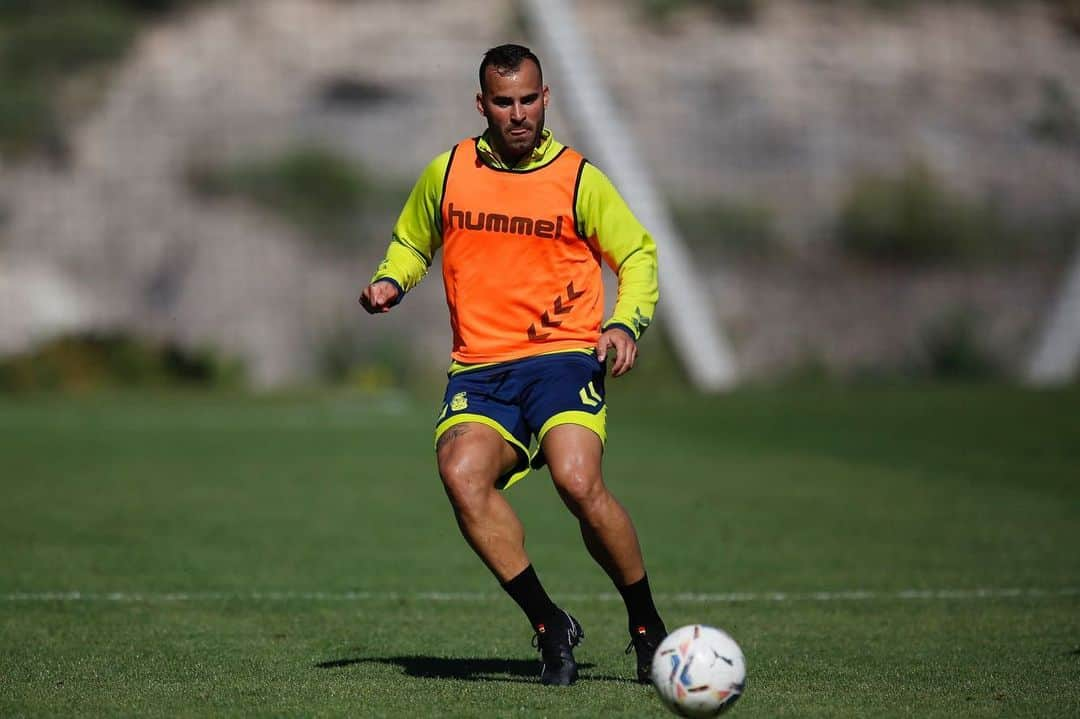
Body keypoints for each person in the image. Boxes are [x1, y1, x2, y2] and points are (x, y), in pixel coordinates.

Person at [359, 43, 666, 687]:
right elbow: (413, 240)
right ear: (483, 105)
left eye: (529, 99)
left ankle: (646, 626)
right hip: (481, 369)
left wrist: (622, 322)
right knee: (461, 474)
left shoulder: (579, 177)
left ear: (545, 98)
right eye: (504, 102)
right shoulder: (447, 171)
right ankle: (549, 625)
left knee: (577, 481)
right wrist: (393, 280)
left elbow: (636, 255)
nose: (518, 113)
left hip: (562, 356)